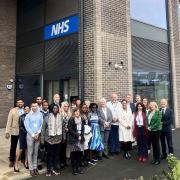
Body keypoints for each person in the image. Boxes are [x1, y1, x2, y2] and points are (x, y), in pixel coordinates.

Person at [41, 104, 62, 177]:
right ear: (51, 109)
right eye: (54, 108)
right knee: (49, 155)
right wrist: (42, 140)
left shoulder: (60, 117)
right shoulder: (46, 117)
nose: (55, 109)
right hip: (49, 140)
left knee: (56, 155)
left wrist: (64, 137)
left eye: (56, 108)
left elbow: (62, 128)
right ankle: (49, 169)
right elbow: (43, 129)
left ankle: (55, 168)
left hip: (58, 139)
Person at [24, 102, 43, 176]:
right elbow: (27, 126)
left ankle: (35, 167)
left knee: (36, 152)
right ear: (31, 107)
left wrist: (38, 133)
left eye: (36, 106)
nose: (34, 107)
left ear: (38, 107)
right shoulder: (28, 115)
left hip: (38, 135)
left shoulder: (40, 114)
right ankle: (31, 169)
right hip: (30, 136)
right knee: (30, 152)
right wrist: (33, 134)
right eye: (33, 106)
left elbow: (41, 124)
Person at [5, 99, 24, 167]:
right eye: (18, 102)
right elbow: (9, 121)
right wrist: (7, 131)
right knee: (13, 146)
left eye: (21, 102)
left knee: (23, 145)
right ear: (16, 103)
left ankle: (22, 158)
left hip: (23, 131)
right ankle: (12, 160)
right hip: (14, 131)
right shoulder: (12, 110)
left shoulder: (26, 110)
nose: (20, 103)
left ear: (23, 103)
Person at [68, 108, 85, 175]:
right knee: (73, 154)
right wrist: (77, 135)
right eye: (76, 111)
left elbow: (83, 128)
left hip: (80, 139)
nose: (77, 112)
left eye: (78, 111)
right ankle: (74, 169)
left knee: (79, 154)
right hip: (74, 139)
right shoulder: (71, 119)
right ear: (74, 112)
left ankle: (78, 168)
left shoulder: (81, 119)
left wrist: (82, 135)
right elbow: (70, 129)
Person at [14, 106, 30, 172]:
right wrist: (27, 132)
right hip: (23, 135)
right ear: (24, 110)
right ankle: (16, 164)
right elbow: (20, 127)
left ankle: (26, 162)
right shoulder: (21, 117)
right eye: (25, 109)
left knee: (27, 149)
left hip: (29, 135)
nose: (26, 110)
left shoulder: (31, 116)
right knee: (21, 149)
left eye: (27, 109)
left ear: (29, 110)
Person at [60, 101, 71, 168]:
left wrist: (69, 128)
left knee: (67, 147)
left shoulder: (70, 114)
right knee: (62, 148)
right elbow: (60, 124)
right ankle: (61, 162)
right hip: (62, 133)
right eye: (64, 106)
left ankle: (65, 161)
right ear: (62, 107)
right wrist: (65, 129)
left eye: (67, 106)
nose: (66, 107)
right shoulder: (60, 114)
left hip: (69, 133)